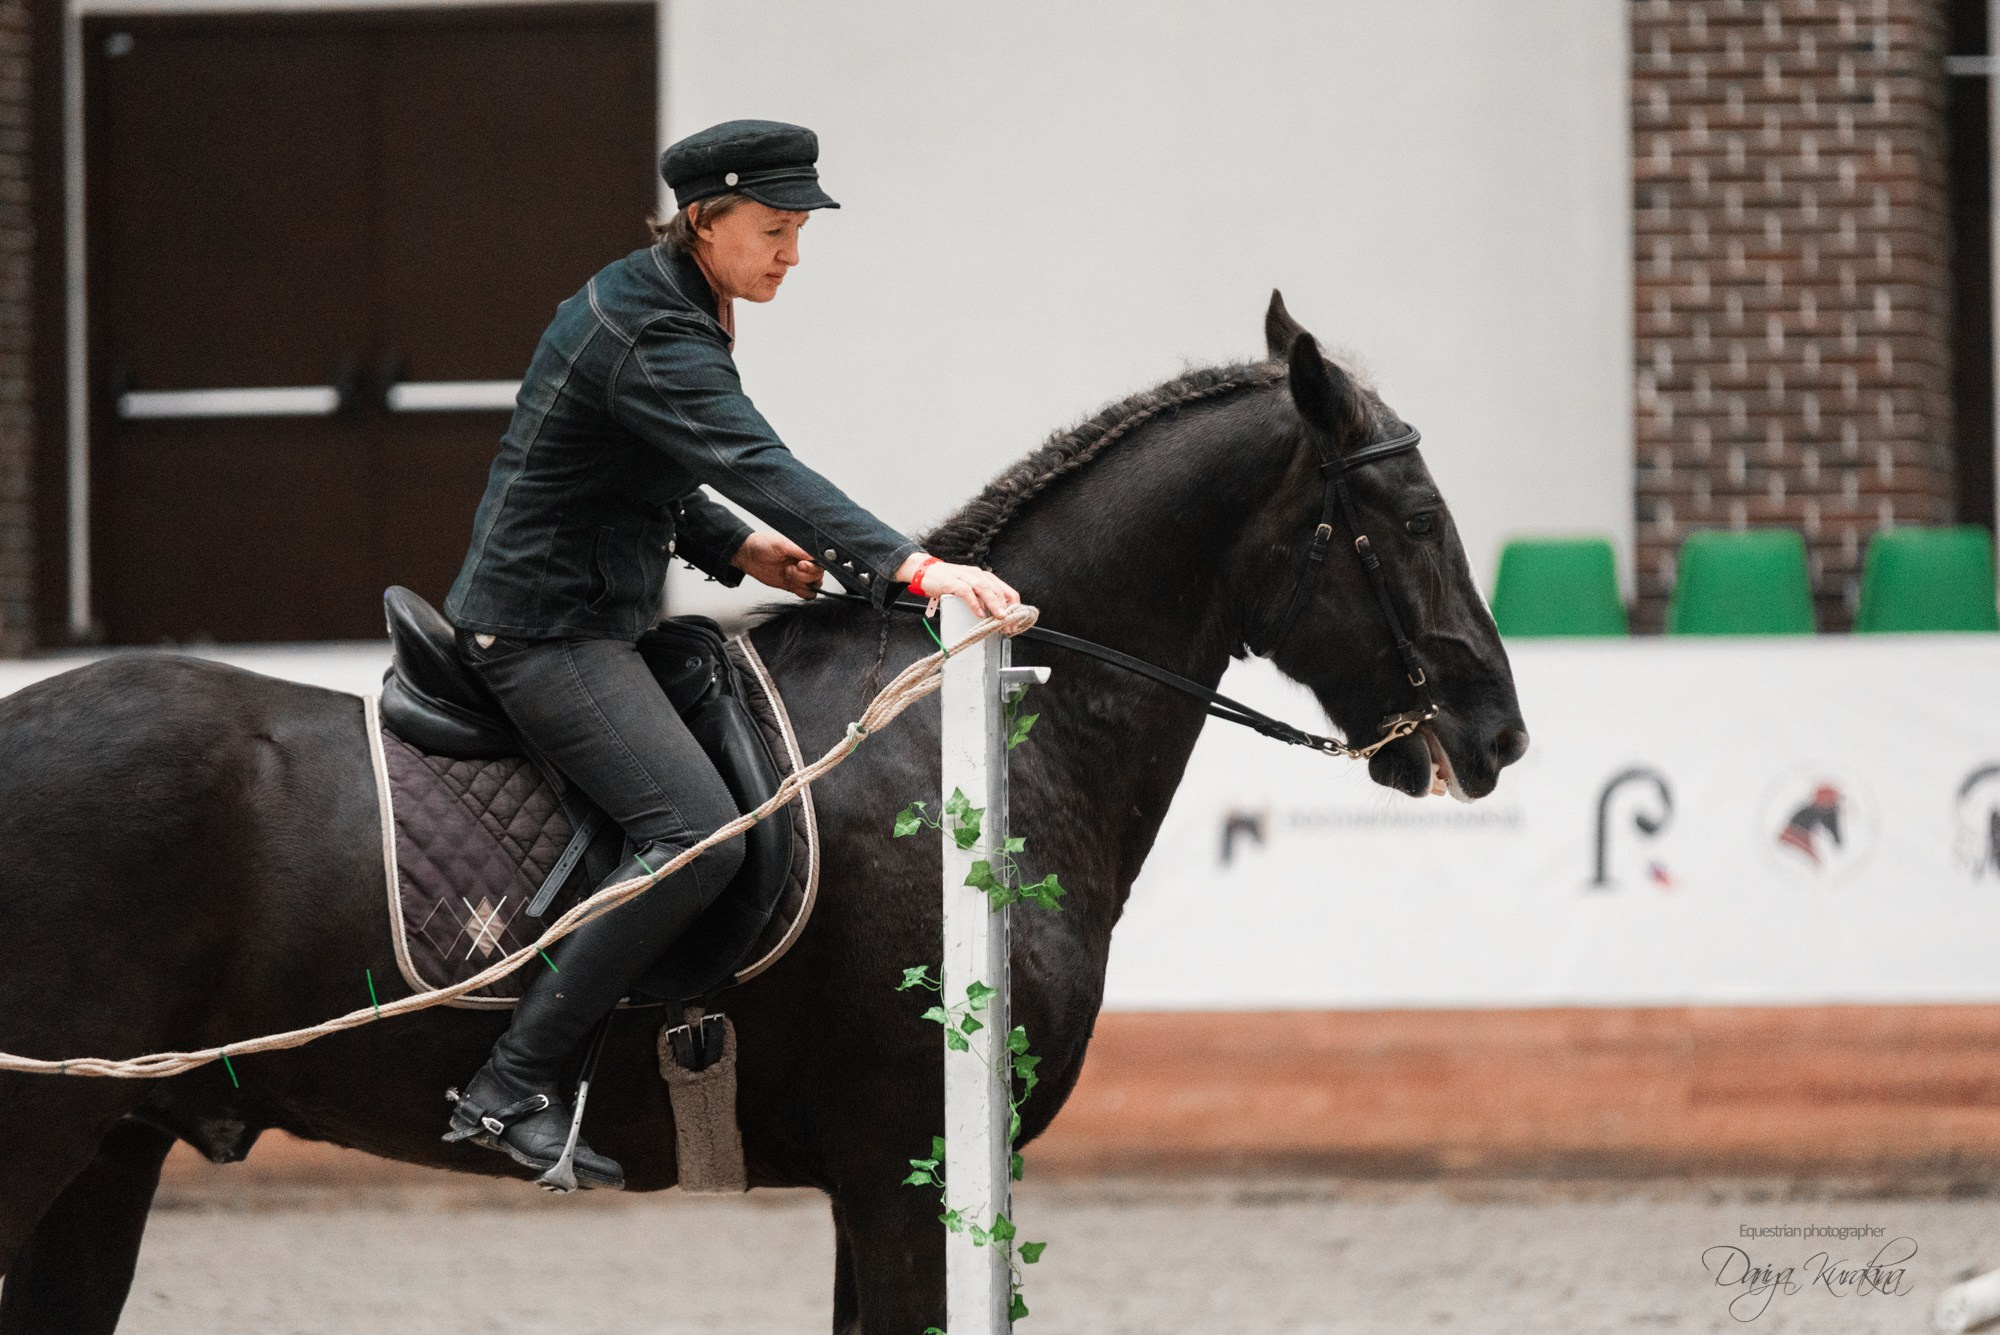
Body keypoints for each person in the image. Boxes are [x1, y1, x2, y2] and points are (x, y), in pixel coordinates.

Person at [438, 119, 1019, 1188]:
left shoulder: (674, 298)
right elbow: (754, 458)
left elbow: (633, 461)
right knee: (698, 836)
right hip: (541, 632)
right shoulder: (650, 326)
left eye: (798, 231)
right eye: (775, 229)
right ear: (705, 220)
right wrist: (912, 569)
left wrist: (732, 544)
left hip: (596, 615)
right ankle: (507, 1082)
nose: (790, 254)